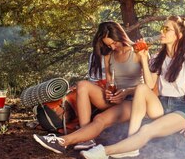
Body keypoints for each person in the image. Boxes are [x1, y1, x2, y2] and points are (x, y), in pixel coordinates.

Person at [34, 16, 185, 159]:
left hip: (175, 108)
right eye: (162, 27)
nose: (162, 31)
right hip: (159, 104)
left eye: (167, 29)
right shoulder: (160, 57)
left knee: (142, 127)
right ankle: (115, 140)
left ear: (179, 35)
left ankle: (95, 148)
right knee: (93, 86)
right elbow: (149, 85)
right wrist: (143, 60)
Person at [34, 21, 144, 151]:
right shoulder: (109, 54)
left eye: (114, 43)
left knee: (99, 119)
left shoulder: (138, 51)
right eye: (109, 45)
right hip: (115, 98)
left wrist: (126, 92)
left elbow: (148, 87)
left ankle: (62, 142)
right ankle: (87, 138)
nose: (113, 47)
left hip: (133, 100)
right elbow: (110, 82)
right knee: (82, 85)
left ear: (120, 36)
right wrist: (110, 93)